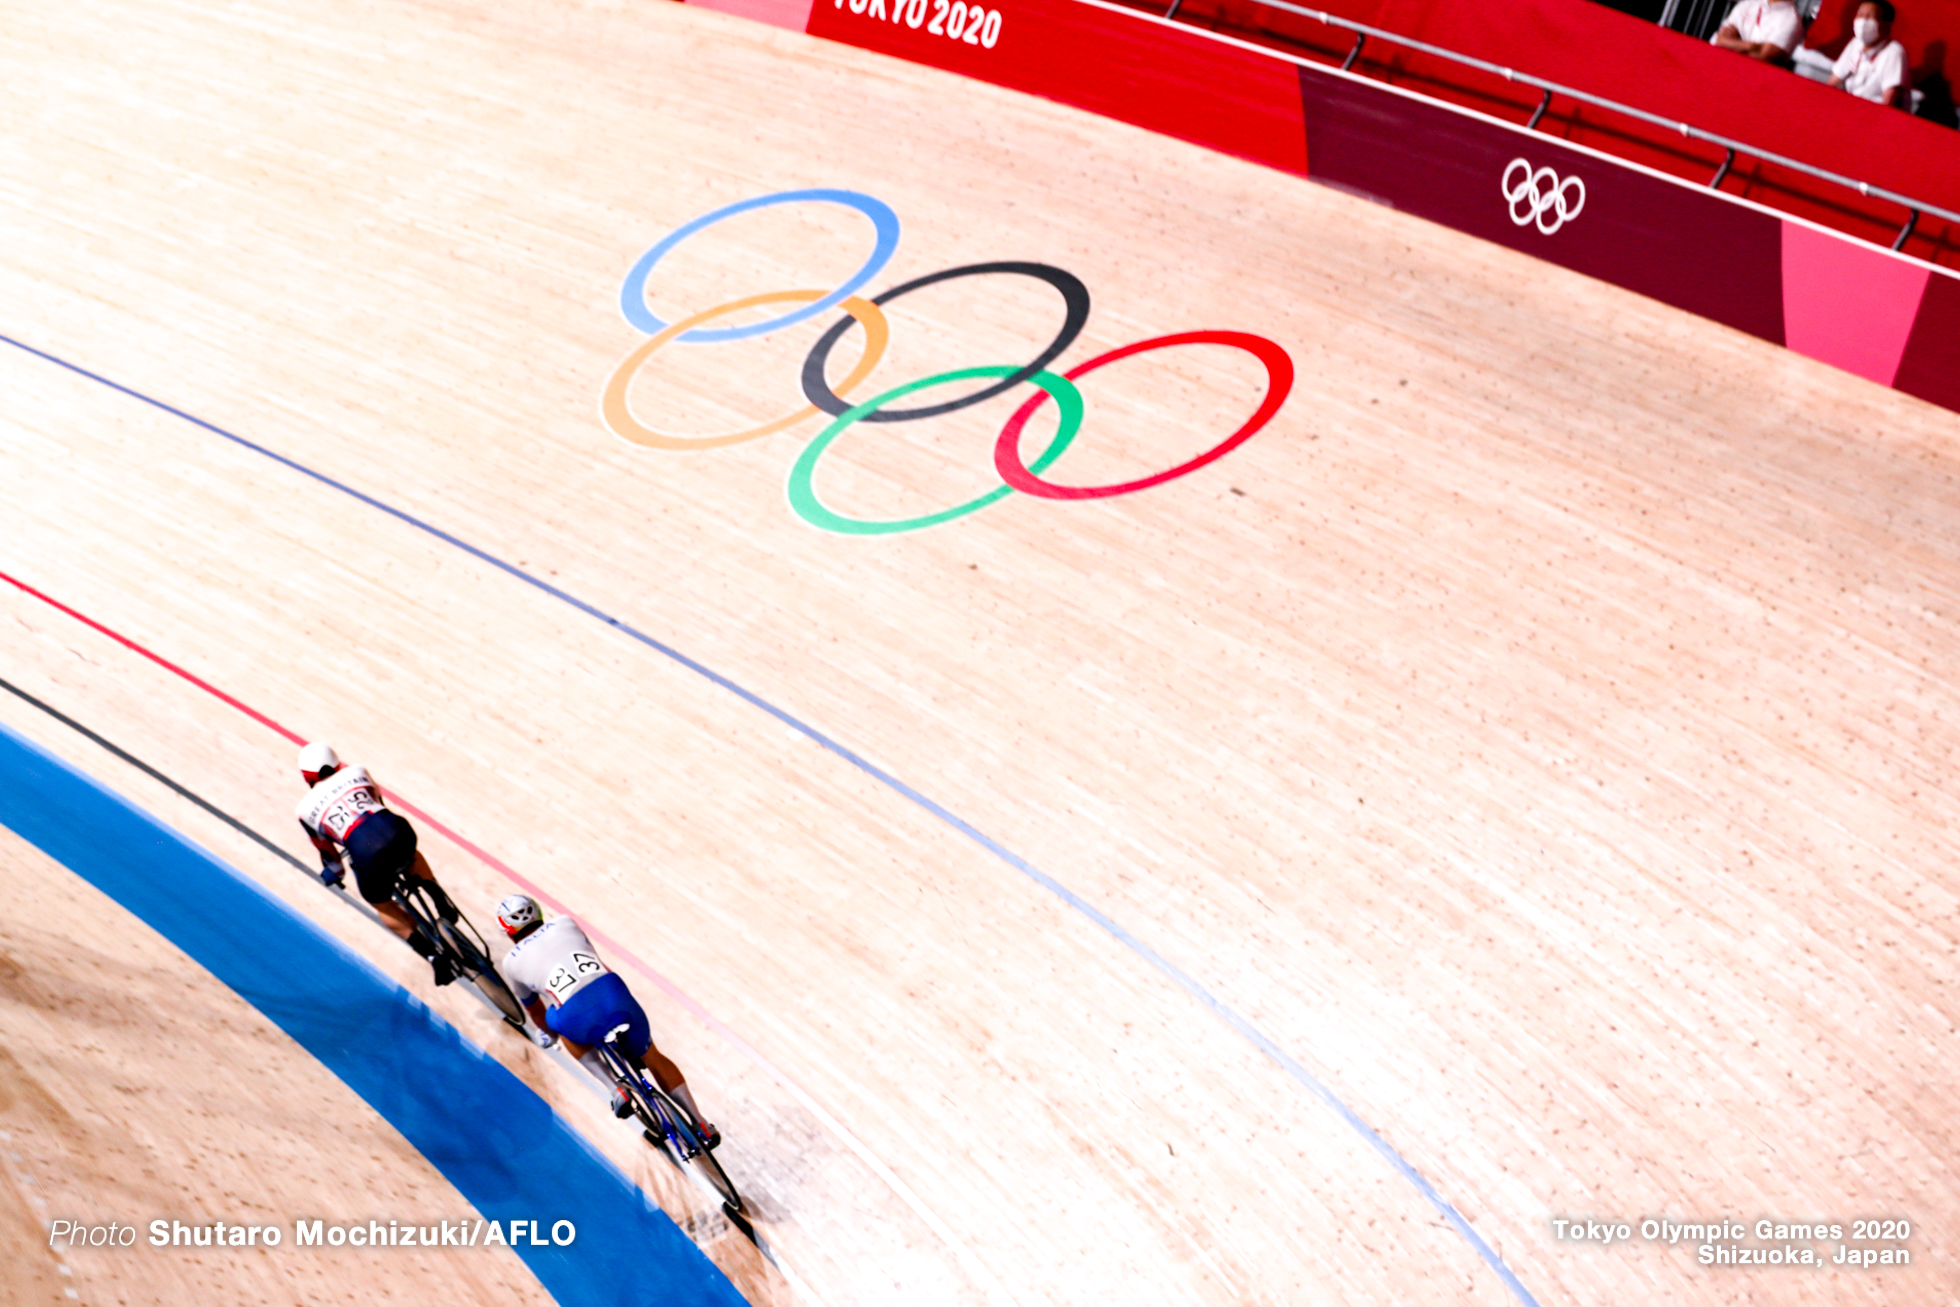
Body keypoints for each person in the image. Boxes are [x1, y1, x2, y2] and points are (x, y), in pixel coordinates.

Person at [493, 894, 720, 1147]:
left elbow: (535, 1012)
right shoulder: (565, 922)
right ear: (538, 914)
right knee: (653, 1057)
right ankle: (700, 1122)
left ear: (509, 932)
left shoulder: (511, 962)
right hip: (613, 994)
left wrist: (551, 1034)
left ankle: (615, 1089)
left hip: (575, 1016)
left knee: (559, 1024)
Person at [295, 741, 458, 986]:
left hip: (366, 852)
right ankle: (439, 898)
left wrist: (334, 874)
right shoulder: (357, 771)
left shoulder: (304, 809)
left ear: (306, 776)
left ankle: (434, 957)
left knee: (380, 903)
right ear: (337, 762)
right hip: (395, 828)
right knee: (411, 854)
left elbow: (330, 855)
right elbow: (378, 802)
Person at [1829, 1, 1909, 105]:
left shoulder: (1894, 52)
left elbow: (1889, 102)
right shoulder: (1855, 43)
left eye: (1870, 16)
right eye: (1860, 15)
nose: (1862, 22)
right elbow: (1833, 81)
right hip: (1850, 105)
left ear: (1886, 24)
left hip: (1875, 113)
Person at [1712, 0, 1804, 65]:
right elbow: (1718, 40)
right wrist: (1751, 46)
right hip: (1723, 68)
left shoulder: (1792, 20)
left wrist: (1732, 44)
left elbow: (1763, 57)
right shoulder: (1747, 4)